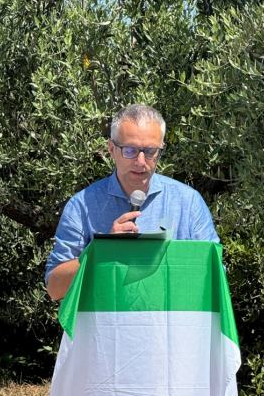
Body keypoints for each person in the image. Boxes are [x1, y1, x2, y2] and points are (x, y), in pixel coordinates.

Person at [45, 104, 219, 300]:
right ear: (112, 149)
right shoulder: (82, 206)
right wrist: (103, 252)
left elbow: (215, 275)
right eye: (130, 150)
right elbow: (55, 289)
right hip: (108, 325)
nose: (141, 161)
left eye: (151, 151)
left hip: (170, 326)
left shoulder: (188, 203)